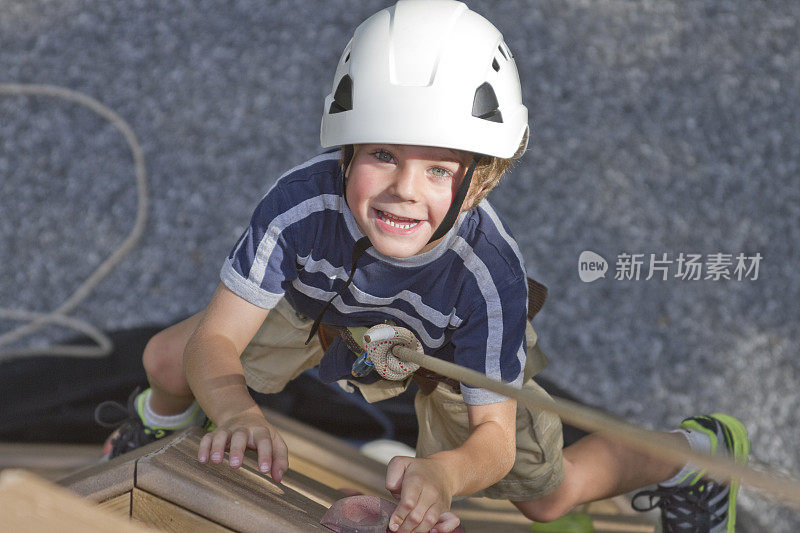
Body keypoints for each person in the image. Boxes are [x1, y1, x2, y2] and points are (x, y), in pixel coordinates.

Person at [95, 2, 750, 532]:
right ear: (347, 150)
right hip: (329, 310)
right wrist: (235, 409)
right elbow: (218, 340)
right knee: (169, 359)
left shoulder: (489, 276)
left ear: (482, 182)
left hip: (449, 350)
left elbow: (491, 441)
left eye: (439, 167)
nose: (404, 188)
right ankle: (158, 433)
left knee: (548, 495)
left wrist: (444, 475)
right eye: (383, 152)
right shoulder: (299, 207)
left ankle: (693, 457)